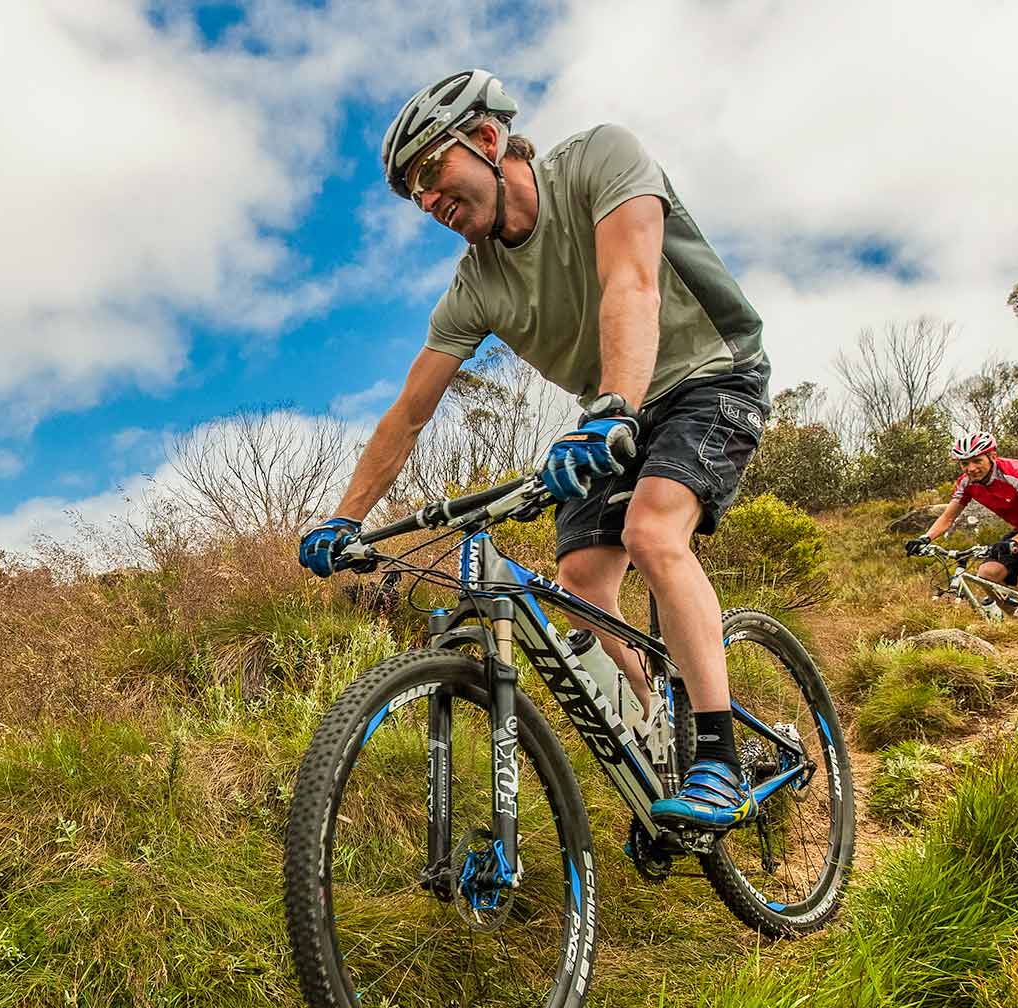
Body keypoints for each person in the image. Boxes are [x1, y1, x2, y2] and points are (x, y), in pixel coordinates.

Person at [297, 70, 771, 830]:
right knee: (581, 583)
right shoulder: (475, 287)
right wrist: (344, 519)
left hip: (710, 373)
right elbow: (409, 413)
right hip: (614, 410)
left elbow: (632, 284)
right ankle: (663, 752)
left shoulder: (598, 162)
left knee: (652, 530)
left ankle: (717, 758)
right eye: (411, 193)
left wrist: (614, 408)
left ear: (487, 140)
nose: (424, 200)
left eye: (428, 171)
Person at [904, 430, 1018, 619]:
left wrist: (1014, 542)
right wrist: (925, 538)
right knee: (987, 574)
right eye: (965, 463)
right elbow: (948, 517)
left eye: (977, 461)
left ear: (993, 457)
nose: (971, 468)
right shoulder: (966, 483)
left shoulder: (1017, 474)